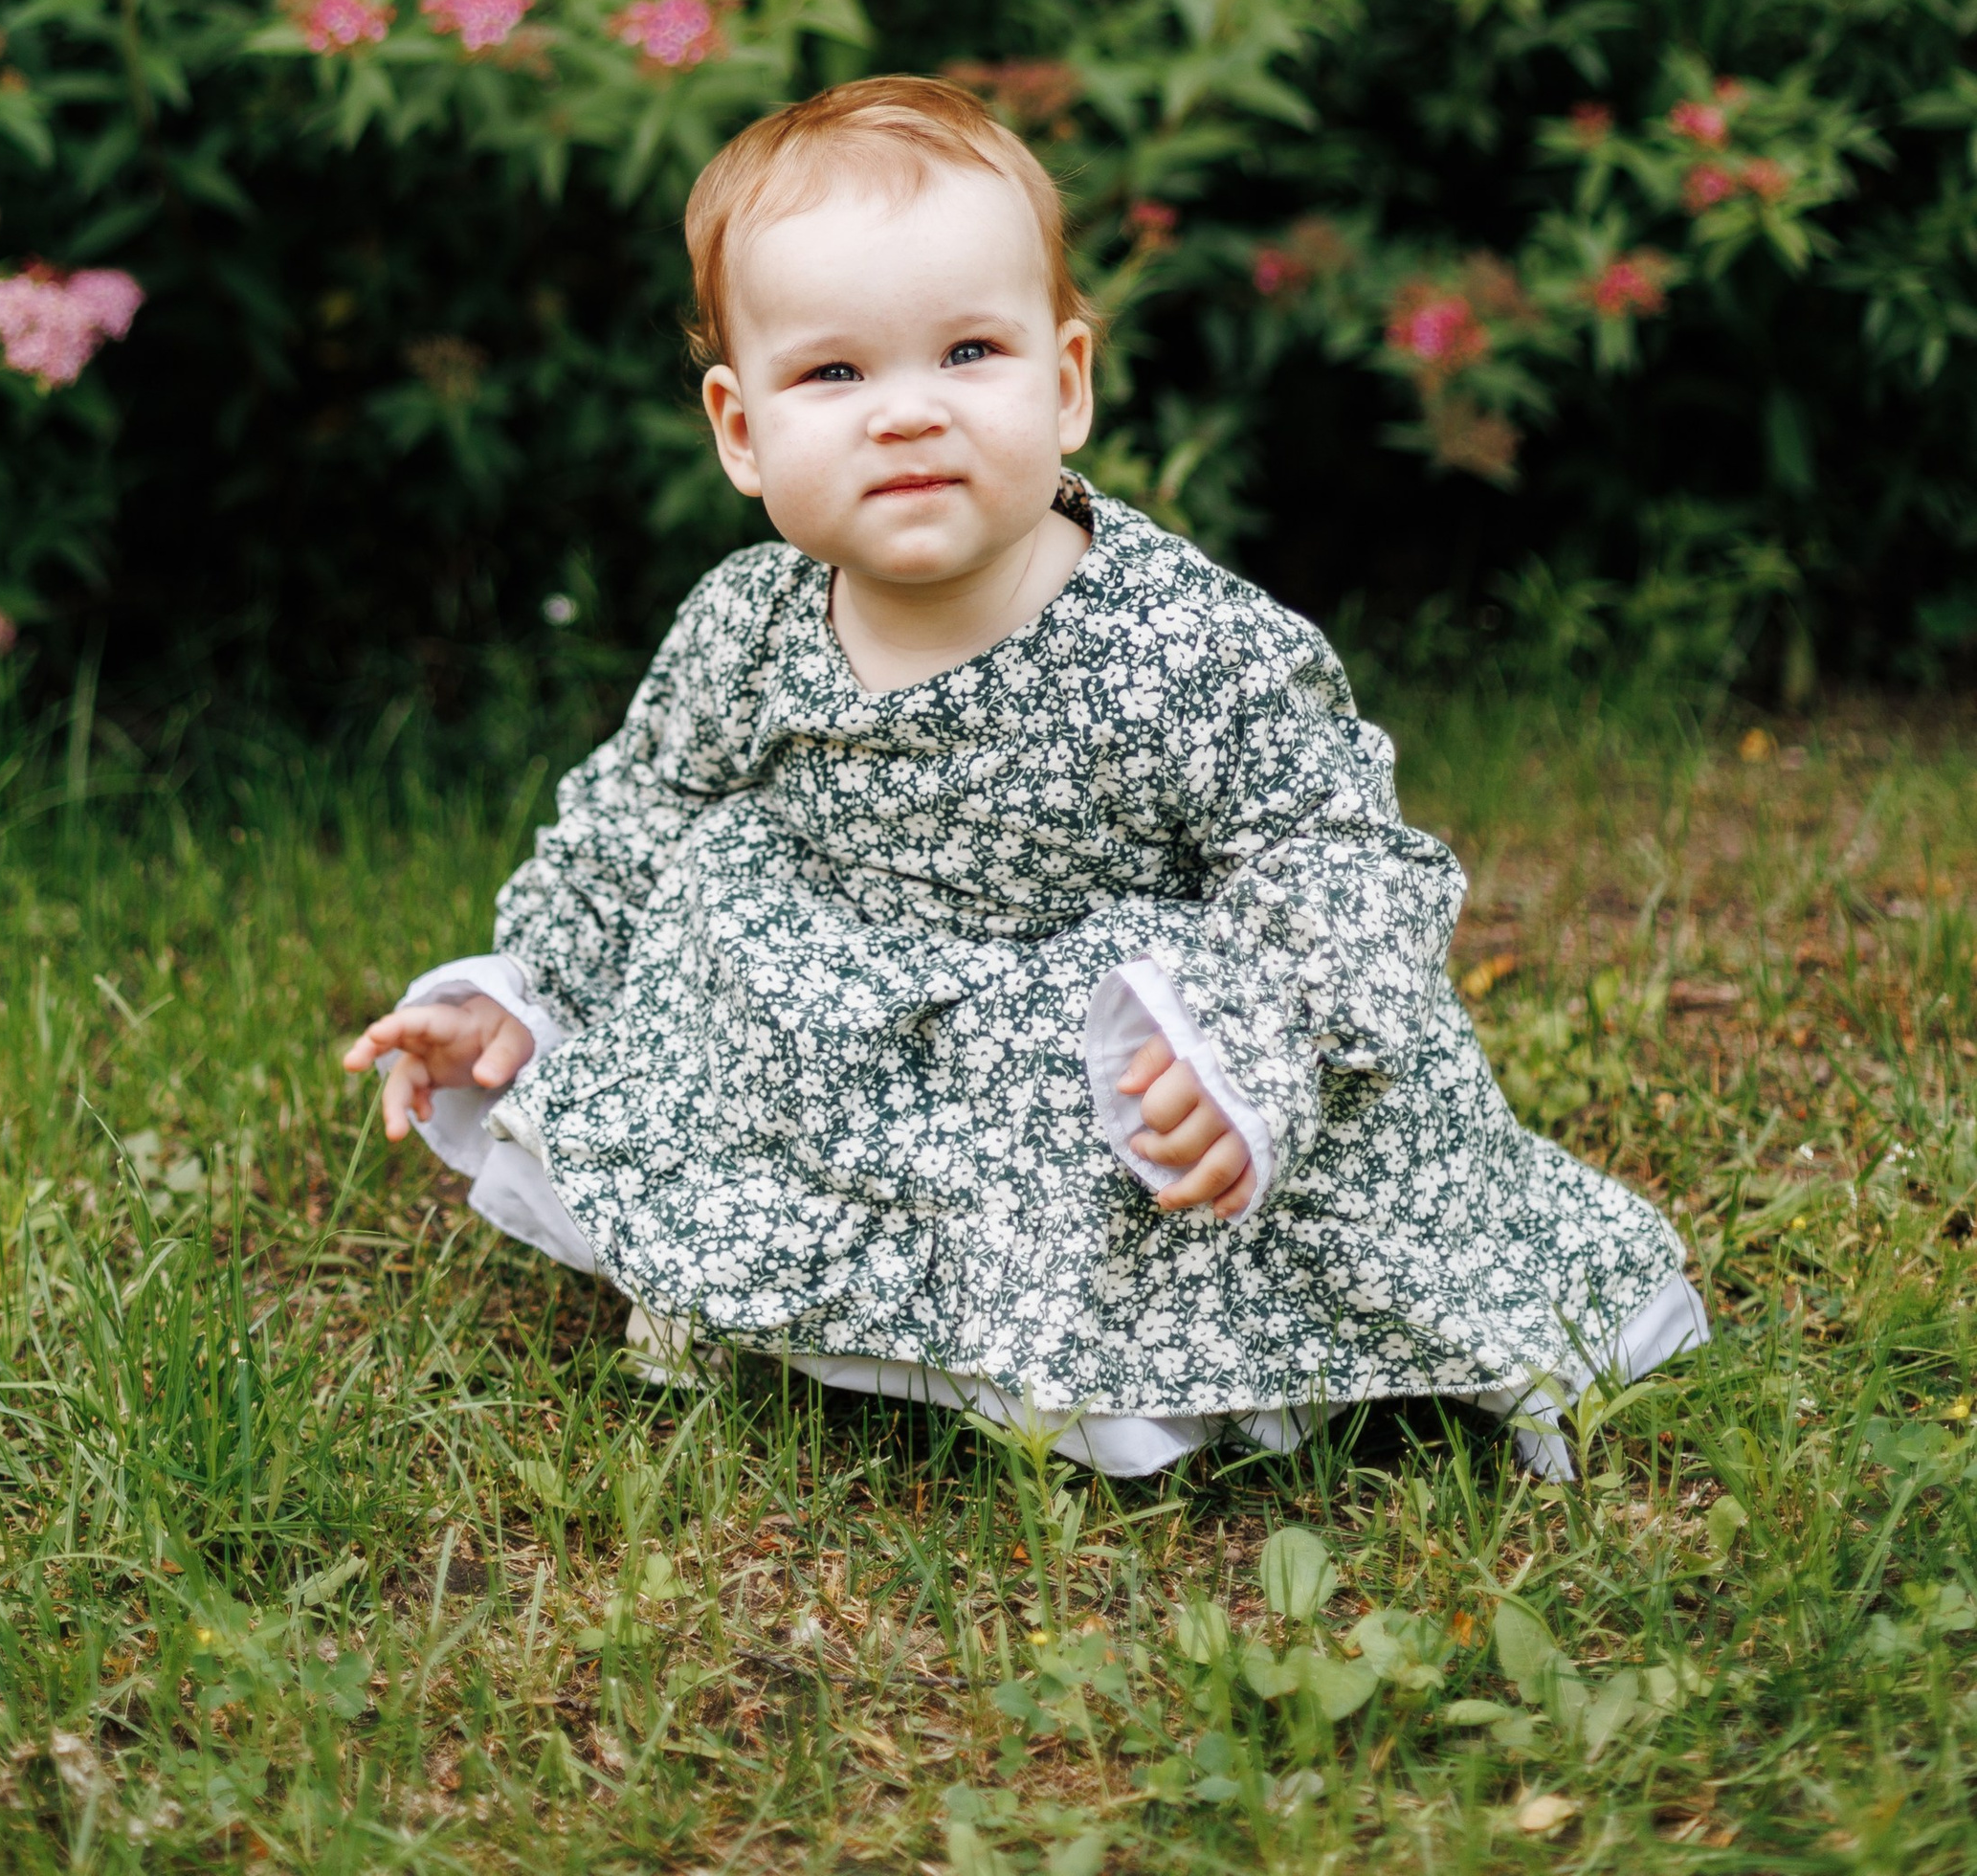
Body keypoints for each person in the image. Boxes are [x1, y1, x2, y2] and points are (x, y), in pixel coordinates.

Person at [344, 75, 1704, 1475]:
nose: (907, 415)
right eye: (835, 374)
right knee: (716, 892)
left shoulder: (1184, 643)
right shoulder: (745, 626)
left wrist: (1245, 1038)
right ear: (739, 429)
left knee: (1111, 1058)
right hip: (830, 1036)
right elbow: (636, 814)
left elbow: (1337, 860)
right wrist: (524, 981)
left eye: (968, 353)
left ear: (1066, 385)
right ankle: (800, 1295)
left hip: (1085, 1055)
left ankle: (1121, 1349)